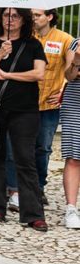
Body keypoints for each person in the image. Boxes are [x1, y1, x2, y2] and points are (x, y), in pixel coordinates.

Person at [0, 7, 48, 229]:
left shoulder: (33, 45)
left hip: (24, 110)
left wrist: (8, 75)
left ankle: (33, 213)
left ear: (24, 20)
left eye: (15, 16)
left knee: (25, 159)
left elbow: (39, 73)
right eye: (6, 15)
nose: (10, 20)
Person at [31, 7, 72, 196]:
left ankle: (38, 187)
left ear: (49, 17)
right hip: (25, 102)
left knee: (43, 147)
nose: (33, 18)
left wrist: (63, 91)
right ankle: (17, 188)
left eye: (37, 15)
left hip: (49, 104)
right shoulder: (27, 37)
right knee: (19, 147)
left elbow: (73, 70)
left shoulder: (64, 39)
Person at [60, 38, 80, 228]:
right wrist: (77, 60)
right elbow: (69, 76)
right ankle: (71, 208)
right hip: (76, 103)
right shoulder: (76, 43)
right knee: (74, 157)